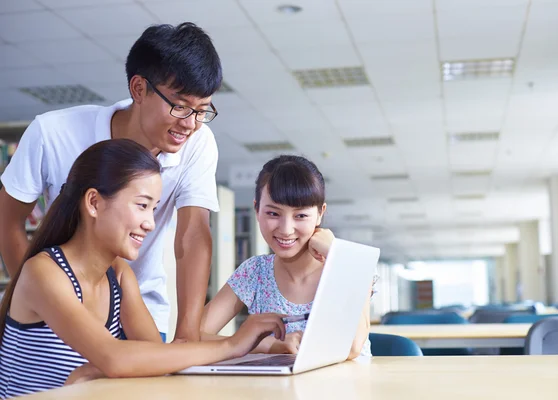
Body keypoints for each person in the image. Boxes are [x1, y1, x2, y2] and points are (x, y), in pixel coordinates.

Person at [0, 140, 285, 399]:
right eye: (142, 206)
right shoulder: (43, 272)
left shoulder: (120, 276)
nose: (150, 223)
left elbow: (160, 359)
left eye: (154, 208)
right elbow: (115, 358)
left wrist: (255, 346)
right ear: (94, 203)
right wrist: (232, 345)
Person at [0, 22, 222, 342]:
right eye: (180, 105)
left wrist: (189, 333)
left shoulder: (199, 144)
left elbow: (192, 235)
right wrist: (41, 298)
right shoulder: (53, 133)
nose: (190, 124)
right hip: (58, 309)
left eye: (202, 111)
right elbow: (8, 222)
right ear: (139, 89)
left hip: (141, 310)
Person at [200, 155, 371, 359]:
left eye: (300, 216)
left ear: (320, 213)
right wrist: (269, 345)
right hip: (276, 390)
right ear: (257, 210)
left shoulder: (351, 264)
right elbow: (193, 337)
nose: (286, 229)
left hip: (345, 388)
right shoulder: (255, 272)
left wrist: (335, 255)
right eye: (273, 214)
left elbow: (352, 347)